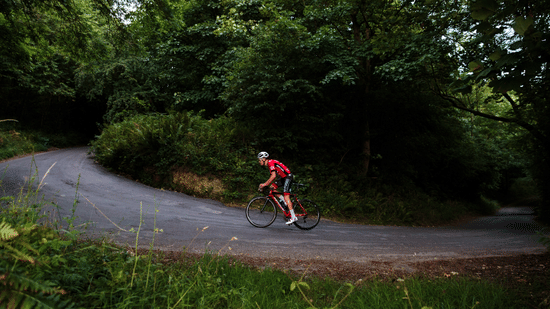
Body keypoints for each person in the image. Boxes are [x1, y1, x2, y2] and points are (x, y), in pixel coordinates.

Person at [257, 151, 297, 225]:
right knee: (272, 188)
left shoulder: (270, 162)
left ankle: (294, 217)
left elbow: (273, 176)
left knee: (286, 196)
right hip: (284, 178)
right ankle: (284, 202)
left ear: (263, 159)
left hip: (288, 177)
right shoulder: (270, 164)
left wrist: (264, 184)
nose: (259, 162)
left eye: (259, 160)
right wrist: (266, 185)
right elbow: (273, 177)